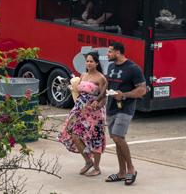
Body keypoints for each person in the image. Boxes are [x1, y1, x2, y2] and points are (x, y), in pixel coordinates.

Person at [58, 52, 107, 177]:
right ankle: (88, 161)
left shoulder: (101, 78)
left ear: (96, 63)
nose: (89, 63)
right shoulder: (83, 75)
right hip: (80, 110)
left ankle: (97, 167)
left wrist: (97, 104)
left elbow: (104, 97)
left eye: (91, 61)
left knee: (95, 138)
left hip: (94, 114)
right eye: (87, 61)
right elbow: (78, 91)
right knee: (74, 135)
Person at [105, 42, 146, 185]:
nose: (107, 54)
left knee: (118, 136)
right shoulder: (111, 67)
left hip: (125, 109)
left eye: (110, 51)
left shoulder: (133, 69)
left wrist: (124, 95)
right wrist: (98, 100)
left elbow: (142, 90)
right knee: (117, 140)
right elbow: (107, 86)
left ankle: (131, 169)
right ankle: (121, 172)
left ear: (118, 52)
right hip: (111, 108)